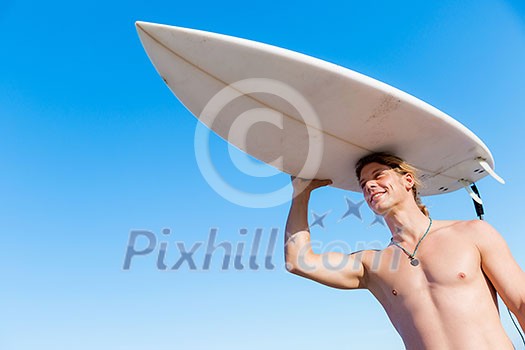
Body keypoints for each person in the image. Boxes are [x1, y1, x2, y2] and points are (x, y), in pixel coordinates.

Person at [285, 152, 525, 349]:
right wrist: (301, 193)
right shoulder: (373, 264)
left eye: (378, 175)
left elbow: (521, 302)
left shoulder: (472, 233)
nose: (369, 185)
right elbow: (298, 261)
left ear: (407, 180)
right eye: (363, 184)